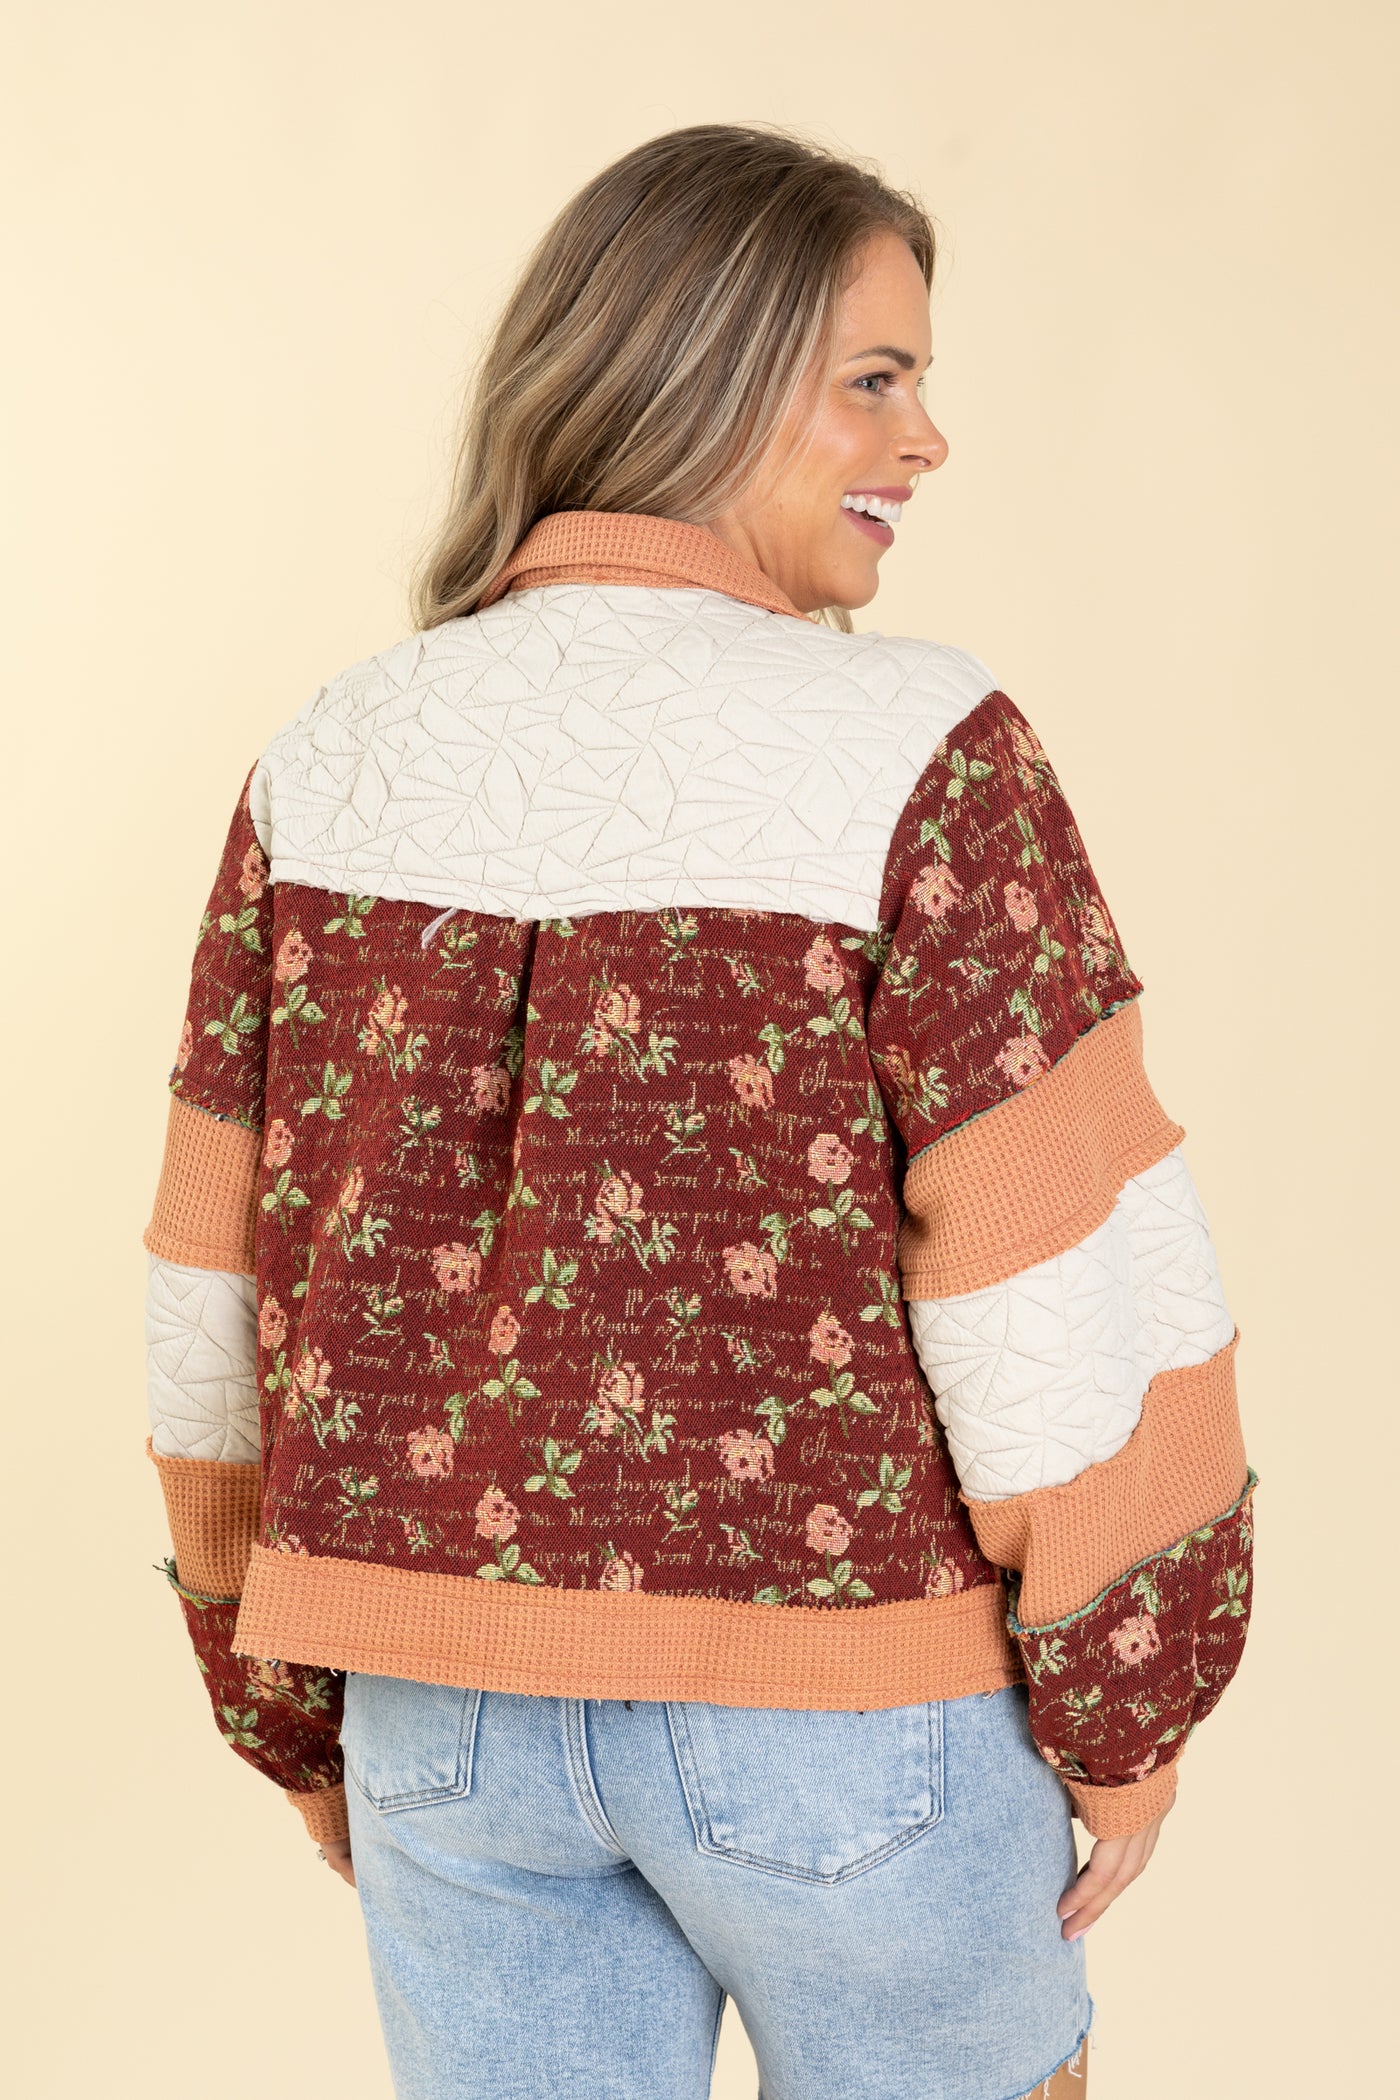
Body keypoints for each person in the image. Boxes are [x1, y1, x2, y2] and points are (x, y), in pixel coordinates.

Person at [143, 123, 1254, 2100]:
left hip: (440, 1717)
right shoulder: (925, 749)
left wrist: (283, 1698)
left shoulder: (331, 755)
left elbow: (213, 1283)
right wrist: (1130, 1702)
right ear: (702, 371)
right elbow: (1052, 1281)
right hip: (854, 1725)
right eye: (874, 379)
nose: (926, 441)